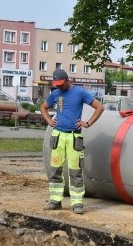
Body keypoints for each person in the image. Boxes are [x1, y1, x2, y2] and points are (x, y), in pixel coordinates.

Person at [40, 68, 105, 214]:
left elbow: (100, 107)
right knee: (55, 169)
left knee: (75, 171)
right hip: (58, 136)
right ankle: (55, 201)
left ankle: (77, 204)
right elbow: (43, 107)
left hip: (74, 137)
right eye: (56, 84)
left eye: (60, 84)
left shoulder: (80, 93)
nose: (58, 86)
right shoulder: (55, 93)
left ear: (67, 80)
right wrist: (49, 120)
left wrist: (87, 123)